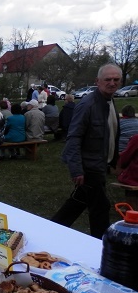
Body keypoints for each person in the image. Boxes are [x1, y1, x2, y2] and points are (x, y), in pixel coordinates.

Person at [51, 63, 121, 239]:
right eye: (108, 79)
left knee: (77, 202)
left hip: (99, 164)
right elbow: (74, 137)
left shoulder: (109, 101)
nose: (112, 83)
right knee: (100, 208)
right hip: (89, 166)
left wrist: (113, 160)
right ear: (97, 81)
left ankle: (50, 231)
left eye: (116, 79)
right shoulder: (88, 104)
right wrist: (76, 169)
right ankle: (100, 245)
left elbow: (111, 133)